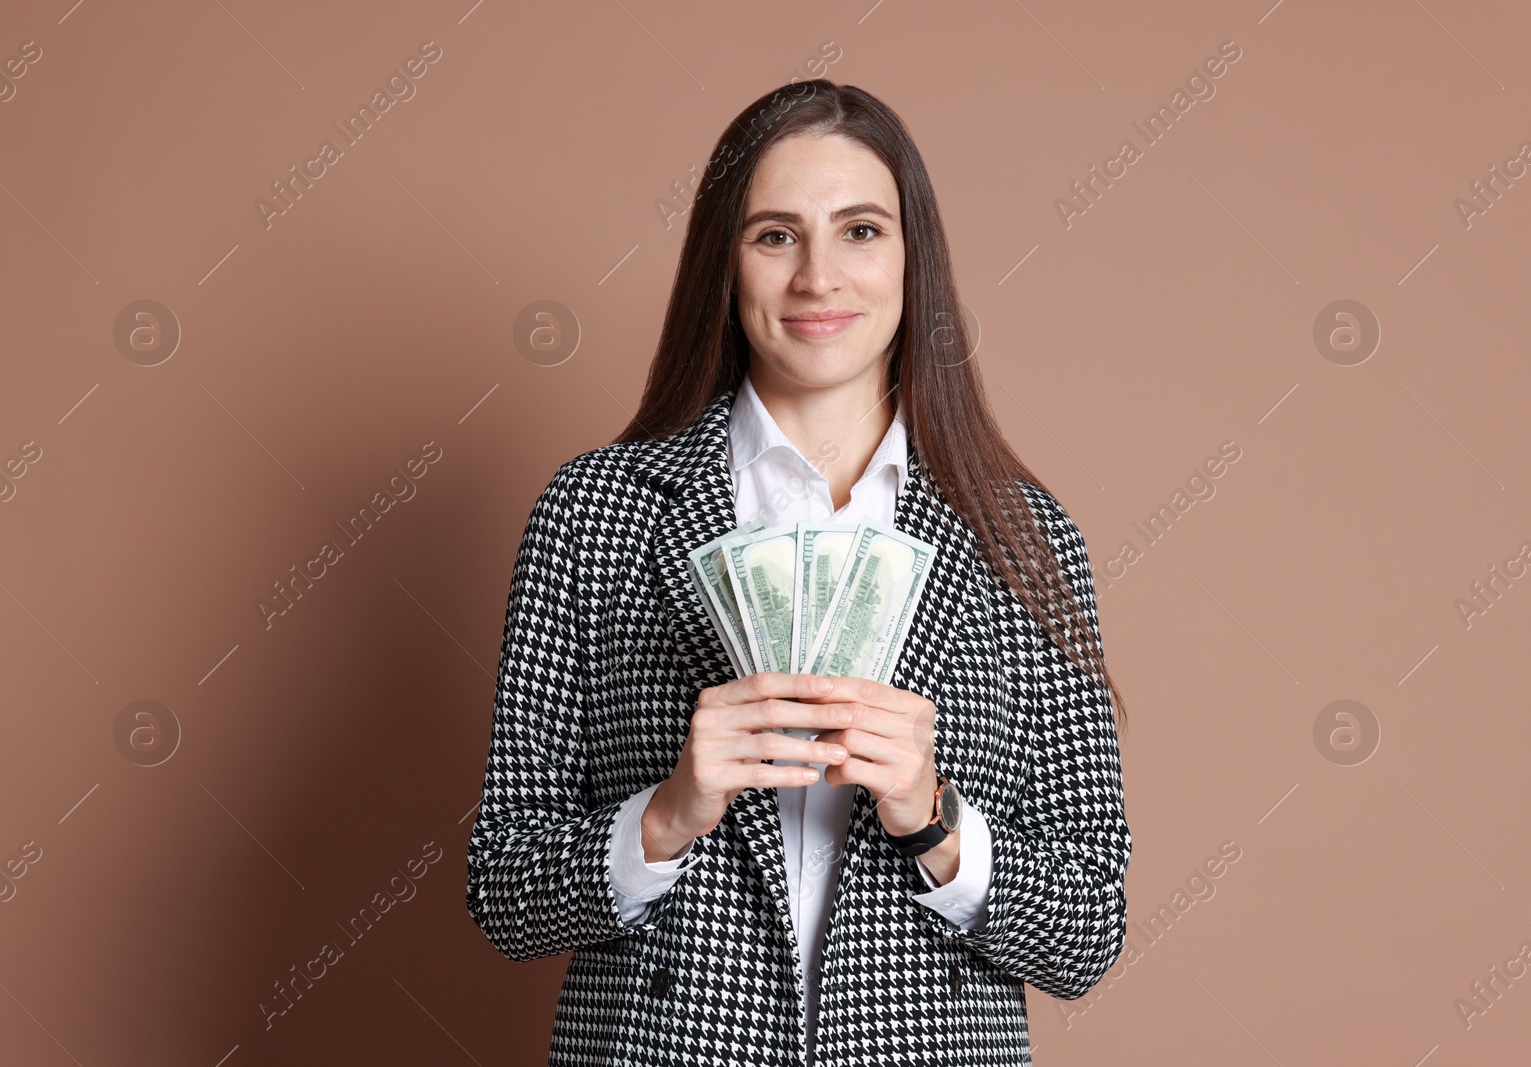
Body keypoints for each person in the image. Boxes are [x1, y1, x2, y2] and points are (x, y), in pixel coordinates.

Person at [468, 79, 1131, 1067]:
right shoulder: (593, 511)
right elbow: (504, 890)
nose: (818, 275)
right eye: (775, 235)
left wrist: (932, 815)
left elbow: (1086, 931)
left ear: (913, 262)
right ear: (722, 266)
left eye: (859, 231)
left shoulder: (1023, 539)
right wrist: (666, 811)